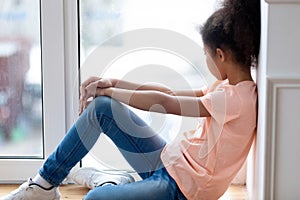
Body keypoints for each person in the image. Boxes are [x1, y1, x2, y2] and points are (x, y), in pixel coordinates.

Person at [1, 0, 260, 199]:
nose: (206, 60)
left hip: (183, 189)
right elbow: (169, 94)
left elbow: (168, 105)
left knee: (95, 198)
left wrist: (111, 91)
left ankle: (112, 182)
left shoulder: (236, 101)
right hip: (171, 162)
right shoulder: (229, 87)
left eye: (206, 54)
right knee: (102, 108)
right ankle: (44, 183)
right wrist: (113, 84)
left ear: (220, 55)